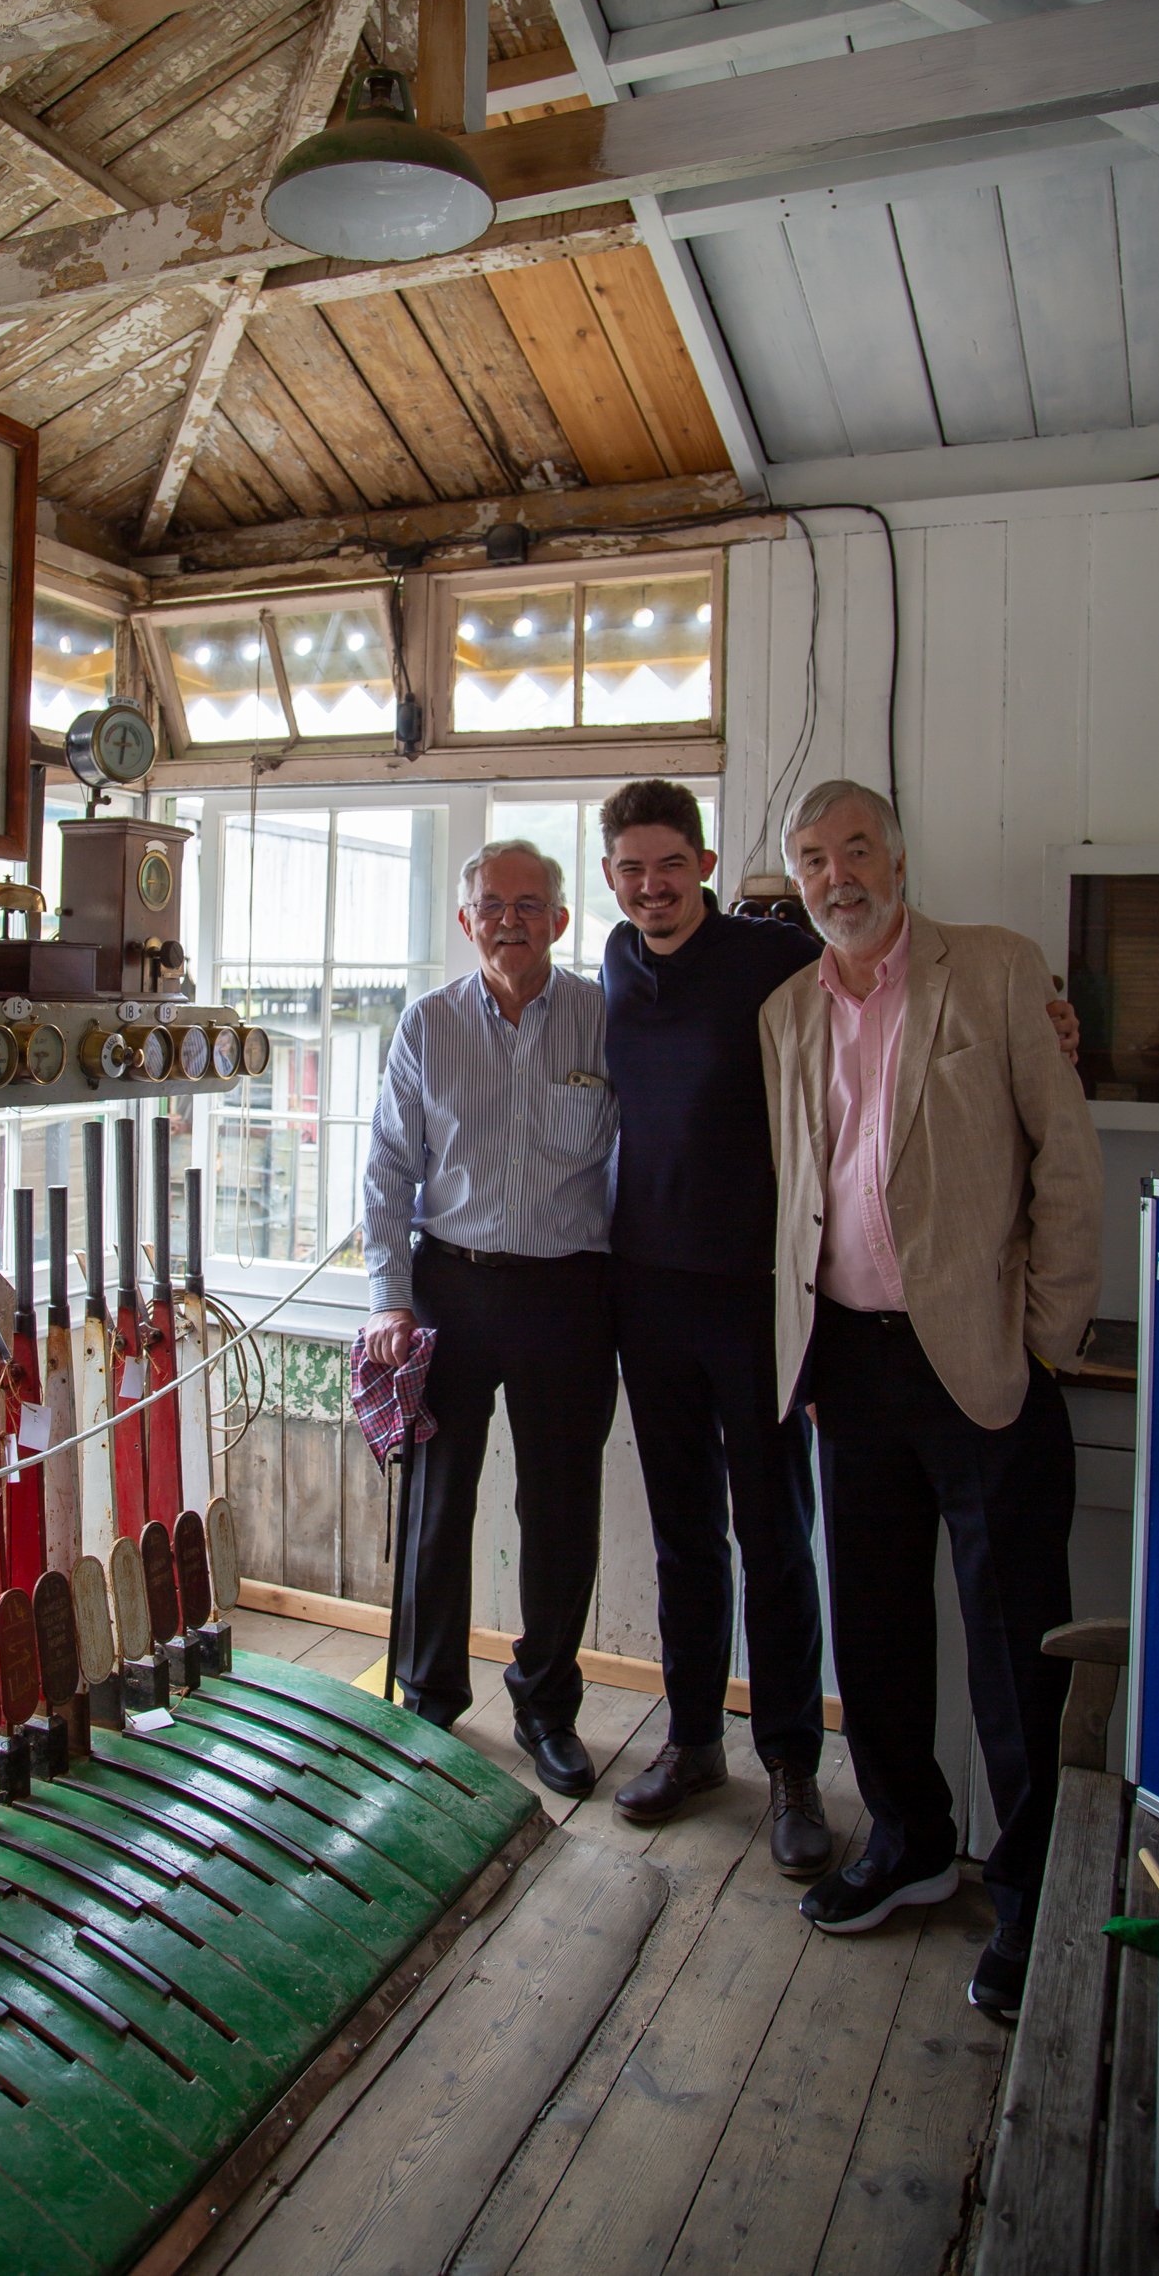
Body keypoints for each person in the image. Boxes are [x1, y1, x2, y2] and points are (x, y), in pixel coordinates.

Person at [760, 778, 1102, 2020]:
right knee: (878, 1629)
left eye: (855, 848)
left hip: (982, 1364)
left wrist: (1046, 1339)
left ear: (898, 859)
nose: (835, 873)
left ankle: (1030, 1897)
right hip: (845, 1366)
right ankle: (903, 1841)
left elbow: (1065, 1162)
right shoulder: (784, 1008)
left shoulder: (997, 971)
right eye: (811, 857)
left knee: (1018, 1647)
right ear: (792, 878)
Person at [598, 779, 833, 1874]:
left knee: (774, 1536)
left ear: (699, 861)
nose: (650, 887)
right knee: (682, 1532)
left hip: (753, 1295)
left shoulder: (771, 957)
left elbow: (877, 1008)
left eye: (667, 865)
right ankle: (694, 1741)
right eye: (629, 869)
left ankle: (790, 1763)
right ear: (610, 877)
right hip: (646, 1294)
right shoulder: (610, 960)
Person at [360, 840, 618, 1797]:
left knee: (559, 1512)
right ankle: (427, 1702)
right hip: (450, 1290)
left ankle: (547, 1709)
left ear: (559, 918)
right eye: (490, 905)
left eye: (529, 902)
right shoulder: (425, 1025)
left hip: (568, 1295)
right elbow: (388, 1173)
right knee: (436, 1504)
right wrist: (389, 1298)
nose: (509, 919)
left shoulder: (603, 1018)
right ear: (465, 921)